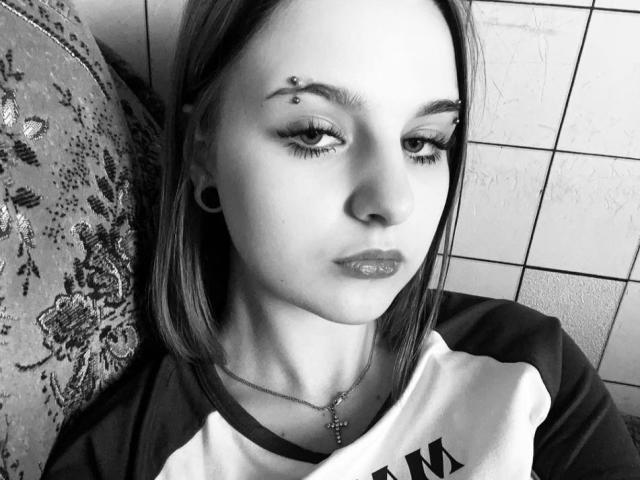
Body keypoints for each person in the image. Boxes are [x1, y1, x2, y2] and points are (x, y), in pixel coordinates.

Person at [42, 0, 640, 478]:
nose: (394, 201)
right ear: (204, 151)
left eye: (423, 142)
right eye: (314, 132)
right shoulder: (122, 460)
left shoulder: (528, 365)